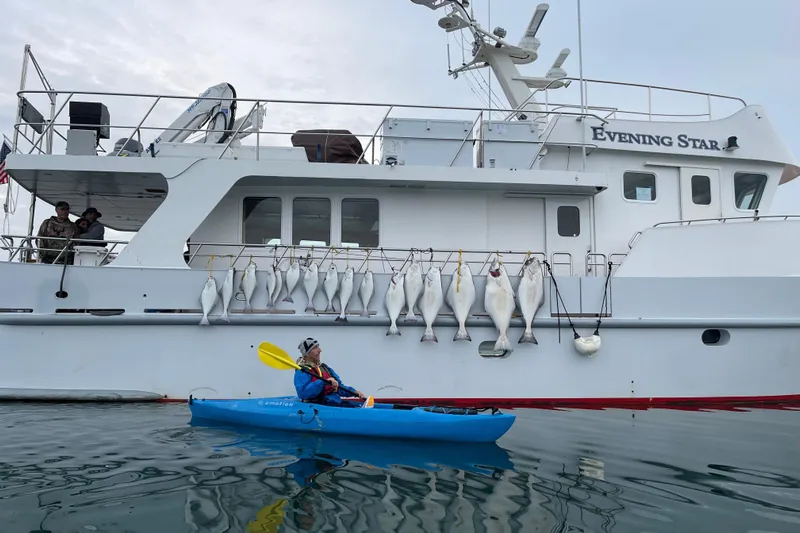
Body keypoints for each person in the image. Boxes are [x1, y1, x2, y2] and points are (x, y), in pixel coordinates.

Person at [294, 337, 365, 407]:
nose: (320, 350)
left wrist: (354, 392)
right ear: (307, 353)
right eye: (315, 348)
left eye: (318, 347)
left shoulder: (325, 368)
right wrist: (323, 382)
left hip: (333, 403)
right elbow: (303, 393)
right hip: (318, 406)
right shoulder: (302, 371)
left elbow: (339, 387)